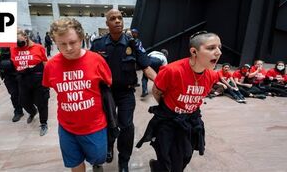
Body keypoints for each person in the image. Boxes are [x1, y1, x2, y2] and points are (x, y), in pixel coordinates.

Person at [136, 31, 222, 172]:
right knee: (168, 160)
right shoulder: (172, 71)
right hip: (169, 120)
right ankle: (158, 166)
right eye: (211, 48)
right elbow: (157, 91)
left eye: (219, 47)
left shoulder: (212, 75)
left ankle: (157, 166)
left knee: (186, 156)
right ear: (194, 51)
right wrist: (168, 108)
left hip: (190, 119)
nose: (218, 52)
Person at [90, 9, 157, 172]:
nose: (118, 21)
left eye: (120, 18)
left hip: (126, 92)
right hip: (105, 92)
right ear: (107, 24)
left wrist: (162, 83)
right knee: (106, 124)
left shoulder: (133, 43)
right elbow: (89, 68)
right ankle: (108, 147)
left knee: (126, 126)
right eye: (113, 18)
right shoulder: (98, 44)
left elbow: (146, 66)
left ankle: (124, 160)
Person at [43, 18, 112, 172]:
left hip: (94, 125)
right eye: (62, 44)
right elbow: (51, 87)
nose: (68, 48)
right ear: (55, 42)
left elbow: (108, 83)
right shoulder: (51, 66)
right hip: (67, 126)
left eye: (72, 42)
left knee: (99, 157)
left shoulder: (97, 60)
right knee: (74, 163)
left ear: (81, 38)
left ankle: (97, 164)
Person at [10, 28, 49, 136]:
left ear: (26, 37)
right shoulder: (13, 48)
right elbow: (14, 63)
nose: (18, 45)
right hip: (23, 79)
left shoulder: (38, 48)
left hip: (38, 79)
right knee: (24, 101)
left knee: (42, 102)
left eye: (19, 41)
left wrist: (48, 78)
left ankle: (43, 123)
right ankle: (32, 112)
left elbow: (45, 63)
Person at [0, 47, 23, 121]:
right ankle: (18, 111)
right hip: (8, 76)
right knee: (14, 94)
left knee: (24, 93)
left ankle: (30, 107)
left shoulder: (19, 46)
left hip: (22, 74)